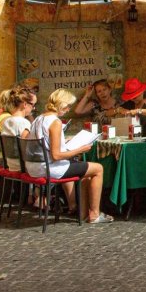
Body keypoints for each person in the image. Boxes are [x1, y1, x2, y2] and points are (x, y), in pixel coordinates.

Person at [27, 88, 110, 223]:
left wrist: (65, 142)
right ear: (61, 104)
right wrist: (80, 149)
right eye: (67, 106)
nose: (68, 109)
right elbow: (56, 155)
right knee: (98, 168)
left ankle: (83, 214)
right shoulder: (55, 122)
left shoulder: (39, 119)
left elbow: (45, 143)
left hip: (35, 166)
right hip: (50, 168)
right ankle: (95, 213)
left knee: (84, 169)